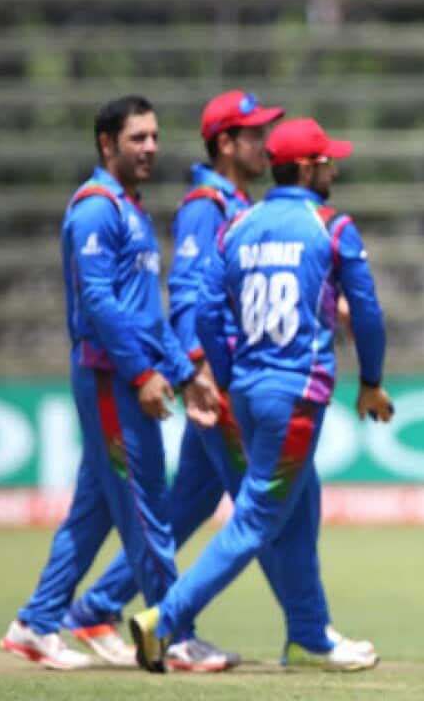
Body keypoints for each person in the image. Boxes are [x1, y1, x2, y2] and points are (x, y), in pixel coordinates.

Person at [129, 117, 392, 674]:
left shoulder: (240, 225)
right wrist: (371, 381)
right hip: (294, 394)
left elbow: (206, 307)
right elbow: (365, 310)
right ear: (305, 167)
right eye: (327, 161)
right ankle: (164, 620)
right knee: (253, 520)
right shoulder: (330, 225)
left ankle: (307, 635)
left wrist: (224, 374)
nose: (334, 168)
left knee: (301, 508)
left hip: (246, 391)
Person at [59, 90, 283, 671]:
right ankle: (304, 630)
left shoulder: (234, 200)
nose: (266, 143)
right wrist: (190, 369)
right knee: (266, 508)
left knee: (183, 505)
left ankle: (95, 609)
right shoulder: (207, 205)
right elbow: (182, 294)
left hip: (213, 377)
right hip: (216, 379)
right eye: (254, 134)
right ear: (225, 143)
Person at [0, 95, 221, 670]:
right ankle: (172, 633)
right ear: (106, 144)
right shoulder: (96, 208)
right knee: (147, 509)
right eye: (136, 138)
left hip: (129, 375)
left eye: (153, 136)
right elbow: (98, 303)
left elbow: (147, 311)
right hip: (110, 379)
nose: (150, 147)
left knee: (95, 511)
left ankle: (36, 623)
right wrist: (145, 373)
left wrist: (184, 372)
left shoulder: (128, 208)